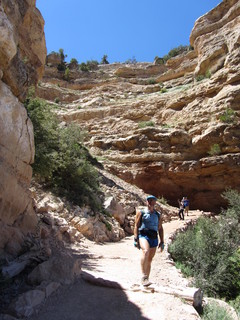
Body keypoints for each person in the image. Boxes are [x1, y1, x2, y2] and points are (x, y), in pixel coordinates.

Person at [134, 195, 164, 287]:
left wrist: (162, 241)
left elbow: (160, 228)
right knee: (145, 252)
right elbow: (136, 225)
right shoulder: (141, 212)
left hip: (154, 237)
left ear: (155, 202)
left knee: (150, 260)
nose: (151, 202)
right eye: (149, 201)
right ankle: (143, 276)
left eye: (153, 201)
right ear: (147, 202)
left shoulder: (157, 214)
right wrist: (136, 238)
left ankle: (146, 279)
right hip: (144, 235)